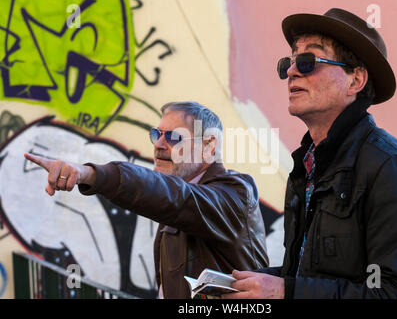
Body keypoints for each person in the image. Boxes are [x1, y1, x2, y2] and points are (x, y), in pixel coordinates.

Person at [223, 8, 397, 299]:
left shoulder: (394, 168)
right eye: (288, 62)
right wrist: (252, 283)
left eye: (308, 60)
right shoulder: (307, 165)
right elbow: (309, 276)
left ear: (355, 81)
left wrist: (285, 291)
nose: (291, 71)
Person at [24, 101, 269, 299]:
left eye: (173, 137)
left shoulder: (235, 193)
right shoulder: (178, 193)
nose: (159, 145)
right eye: (157, 134)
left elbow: (175, 196)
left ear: (209, 145)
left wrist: (90, 174)